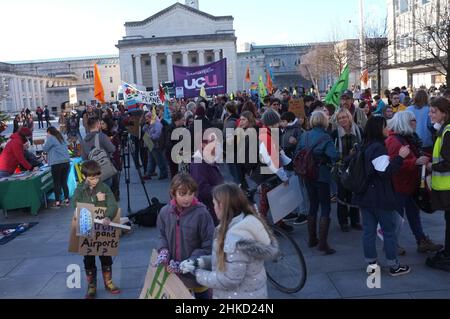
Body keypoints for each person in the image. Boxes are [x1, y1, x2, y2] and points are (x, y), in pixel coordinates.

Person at [179, 183, 278, 299]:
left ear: (222, 206)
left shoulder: (235, 238)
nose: (213, 207)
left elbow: (229, 280)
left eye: (214, 203)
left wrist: (197, 273)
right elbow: (229, 260)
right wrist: (200, 262)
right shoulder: (246, 221)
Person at [352, 116, 411, 276]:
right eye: (385, 127)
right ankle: (393, 265)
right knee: (389, 230)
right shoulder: (378, 147)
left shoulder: (365, 145)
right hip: (379, 197)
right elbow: (385, 172)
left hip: (365, 196)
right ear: (378, 129)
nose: (388, 130)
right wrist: (400, 157)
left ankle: (371, 264)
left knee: (369, 231)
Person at [386, 112, 442, 253]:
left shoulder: (405, 138)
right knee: (396, 218)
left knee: (412, 214)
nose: (416, 123)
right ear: (405, 122)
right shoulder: (395, 140)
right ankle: (392, 244)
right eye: (413, 120)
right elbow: (393, 165)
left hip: (408, 184)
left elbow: (416, 154)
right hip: (399, 185)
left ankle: (420, 240)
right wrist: (415, 162)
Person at [155, 173, 215, 299]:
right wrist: (164, 251)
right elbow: (162, 235)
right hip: (174, 273)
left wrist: (191, 262)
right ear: (173, 193)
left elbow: (209, 244)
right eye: (182, 194)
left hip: (197, 273)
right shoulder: (165, 212)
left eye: (190, 193)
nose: (187, 198)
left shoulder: (202, 214)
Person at [72, 160, 120, 299]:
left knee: (106, 255)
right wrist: (94, 200)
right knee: (88, 257)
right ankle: (91, 285)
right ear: (84, 177)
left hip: (102, 228)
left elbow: (112, 204)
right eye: (91, 178)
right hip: (86, 226)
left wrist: (108, 216)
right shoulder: (80, 189)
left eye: (97, 177)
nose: (94, 181)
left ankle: (108, 281)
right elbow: (76, 203)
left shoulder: (104, 187)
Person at [295, 111, 338, 254]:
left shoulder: (305, 135)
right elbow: (334, 156)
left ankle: (312, 238)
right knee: (325, 207)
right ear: (325, 122)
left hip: (307, 174)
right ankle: (323, 243)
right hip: (322, 175)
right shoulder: (325, 137)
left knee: (312, 205)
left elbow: (297, 152)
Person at [426, 97, 450, 271]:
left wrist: (430, 166)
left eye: (434, 111)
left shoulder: (447, 131)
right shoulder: (443, 130)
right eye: (430, 110)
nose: (430, 114)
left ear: (444, 113)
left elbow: (448, 162)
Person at [331, 108, 364, 232]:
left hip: (356, 168)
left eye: (344, 117)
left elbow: (364, 146)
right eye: (340, 118)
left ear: (349, 117)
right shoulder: (335, 133)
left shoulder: (359, 130)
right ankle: (343, 222)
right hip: (341, 169)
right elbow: (332, 152)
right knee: (342, 196)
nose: (342, 120)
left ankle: (355, 221)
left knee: (355, 194)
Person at [189, 134, 225, 226]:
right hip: (209, 211)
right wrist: (224, 190)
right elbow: (201, 190)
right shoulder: (199, 164)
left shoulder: (207, 160)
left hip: (214, 207)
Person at [280, 112, 308, 225]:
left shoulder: (297, 130)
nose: (281, 123)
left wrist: (295, 143)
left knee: (299, 188)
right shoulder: (287, 129)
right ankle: (296, 211)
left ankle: (303, 212)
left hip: (294, 162)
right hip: (287, 161)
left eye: (283, 121)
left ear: (289, 120)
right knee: (292, 188)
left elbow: (302, 146)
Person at [43, 127, 71, 209]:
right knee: (64, 182)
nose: (46, 134)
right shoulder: (61, 137)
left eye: (47, 133)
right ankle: (66, 200)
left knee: (56, 183)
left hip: (57, 163)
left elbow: (45, 149)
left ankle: (57, 202)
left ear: (49, 132)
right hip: (66, 162)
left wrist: (47, 138)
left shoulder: (51, 138)